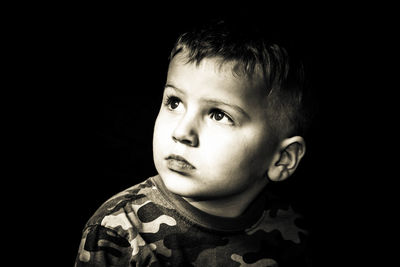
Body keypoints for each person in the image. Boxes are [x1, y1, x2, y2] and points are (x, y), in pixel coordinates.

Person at [75, 18, 314, 266]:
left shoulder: (295, 233)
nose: (181, 132)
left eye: (219, 115)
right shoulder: (119, 231)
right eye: (174, 103)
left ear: (282, 159)